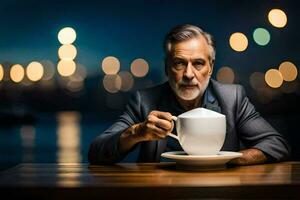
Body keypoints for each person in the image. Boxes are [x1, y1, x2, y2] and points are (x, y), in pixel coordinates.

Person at [88, 24, 290, 165]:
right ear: (167, 68)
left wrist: (228, 159)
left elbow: (277, 145)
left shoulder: (232, 98)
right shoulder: (145, 101)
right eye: (179, 63)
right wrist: (137, 132)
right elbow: (96, 153)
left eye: (199, 63)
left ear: (210, 68)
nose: (188, 74)